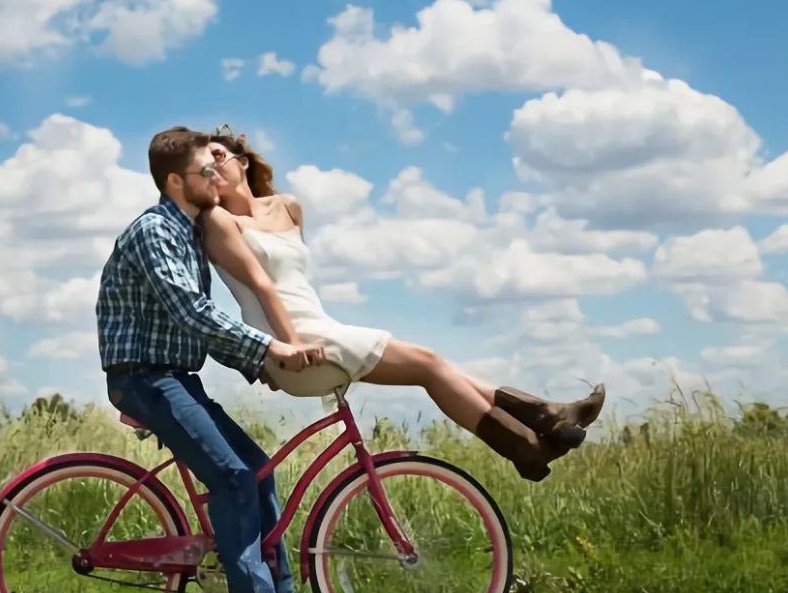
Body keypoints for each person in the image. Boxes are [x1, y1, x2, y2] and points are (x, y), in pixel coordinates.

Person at [199, 127, 606, 482]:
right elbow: (262, 288)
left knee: (434, 365)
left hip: (319, 327)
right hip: (296, 344)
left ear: (242, 160)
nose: (211, 168)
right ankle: (533, 436)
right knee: (429, 364)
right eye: (202, 165)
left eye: (217, 156)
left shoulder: (288, 208)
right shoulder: (219, 222)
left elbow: (295, 283)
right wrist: (284, 348)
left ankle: (540, 426)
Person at [94, 126, 331, 593]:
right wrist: (271, 348)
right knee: (234, 479)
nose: (216, 178)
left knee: (259, 471)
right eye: (207, 170)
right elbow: (192, 313)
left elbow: (200, 328)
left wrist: (261, 364)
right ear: (177, 181)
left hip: (177, 376)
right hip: (144, 377)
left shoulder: (189, 234)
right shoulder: (155, 231)